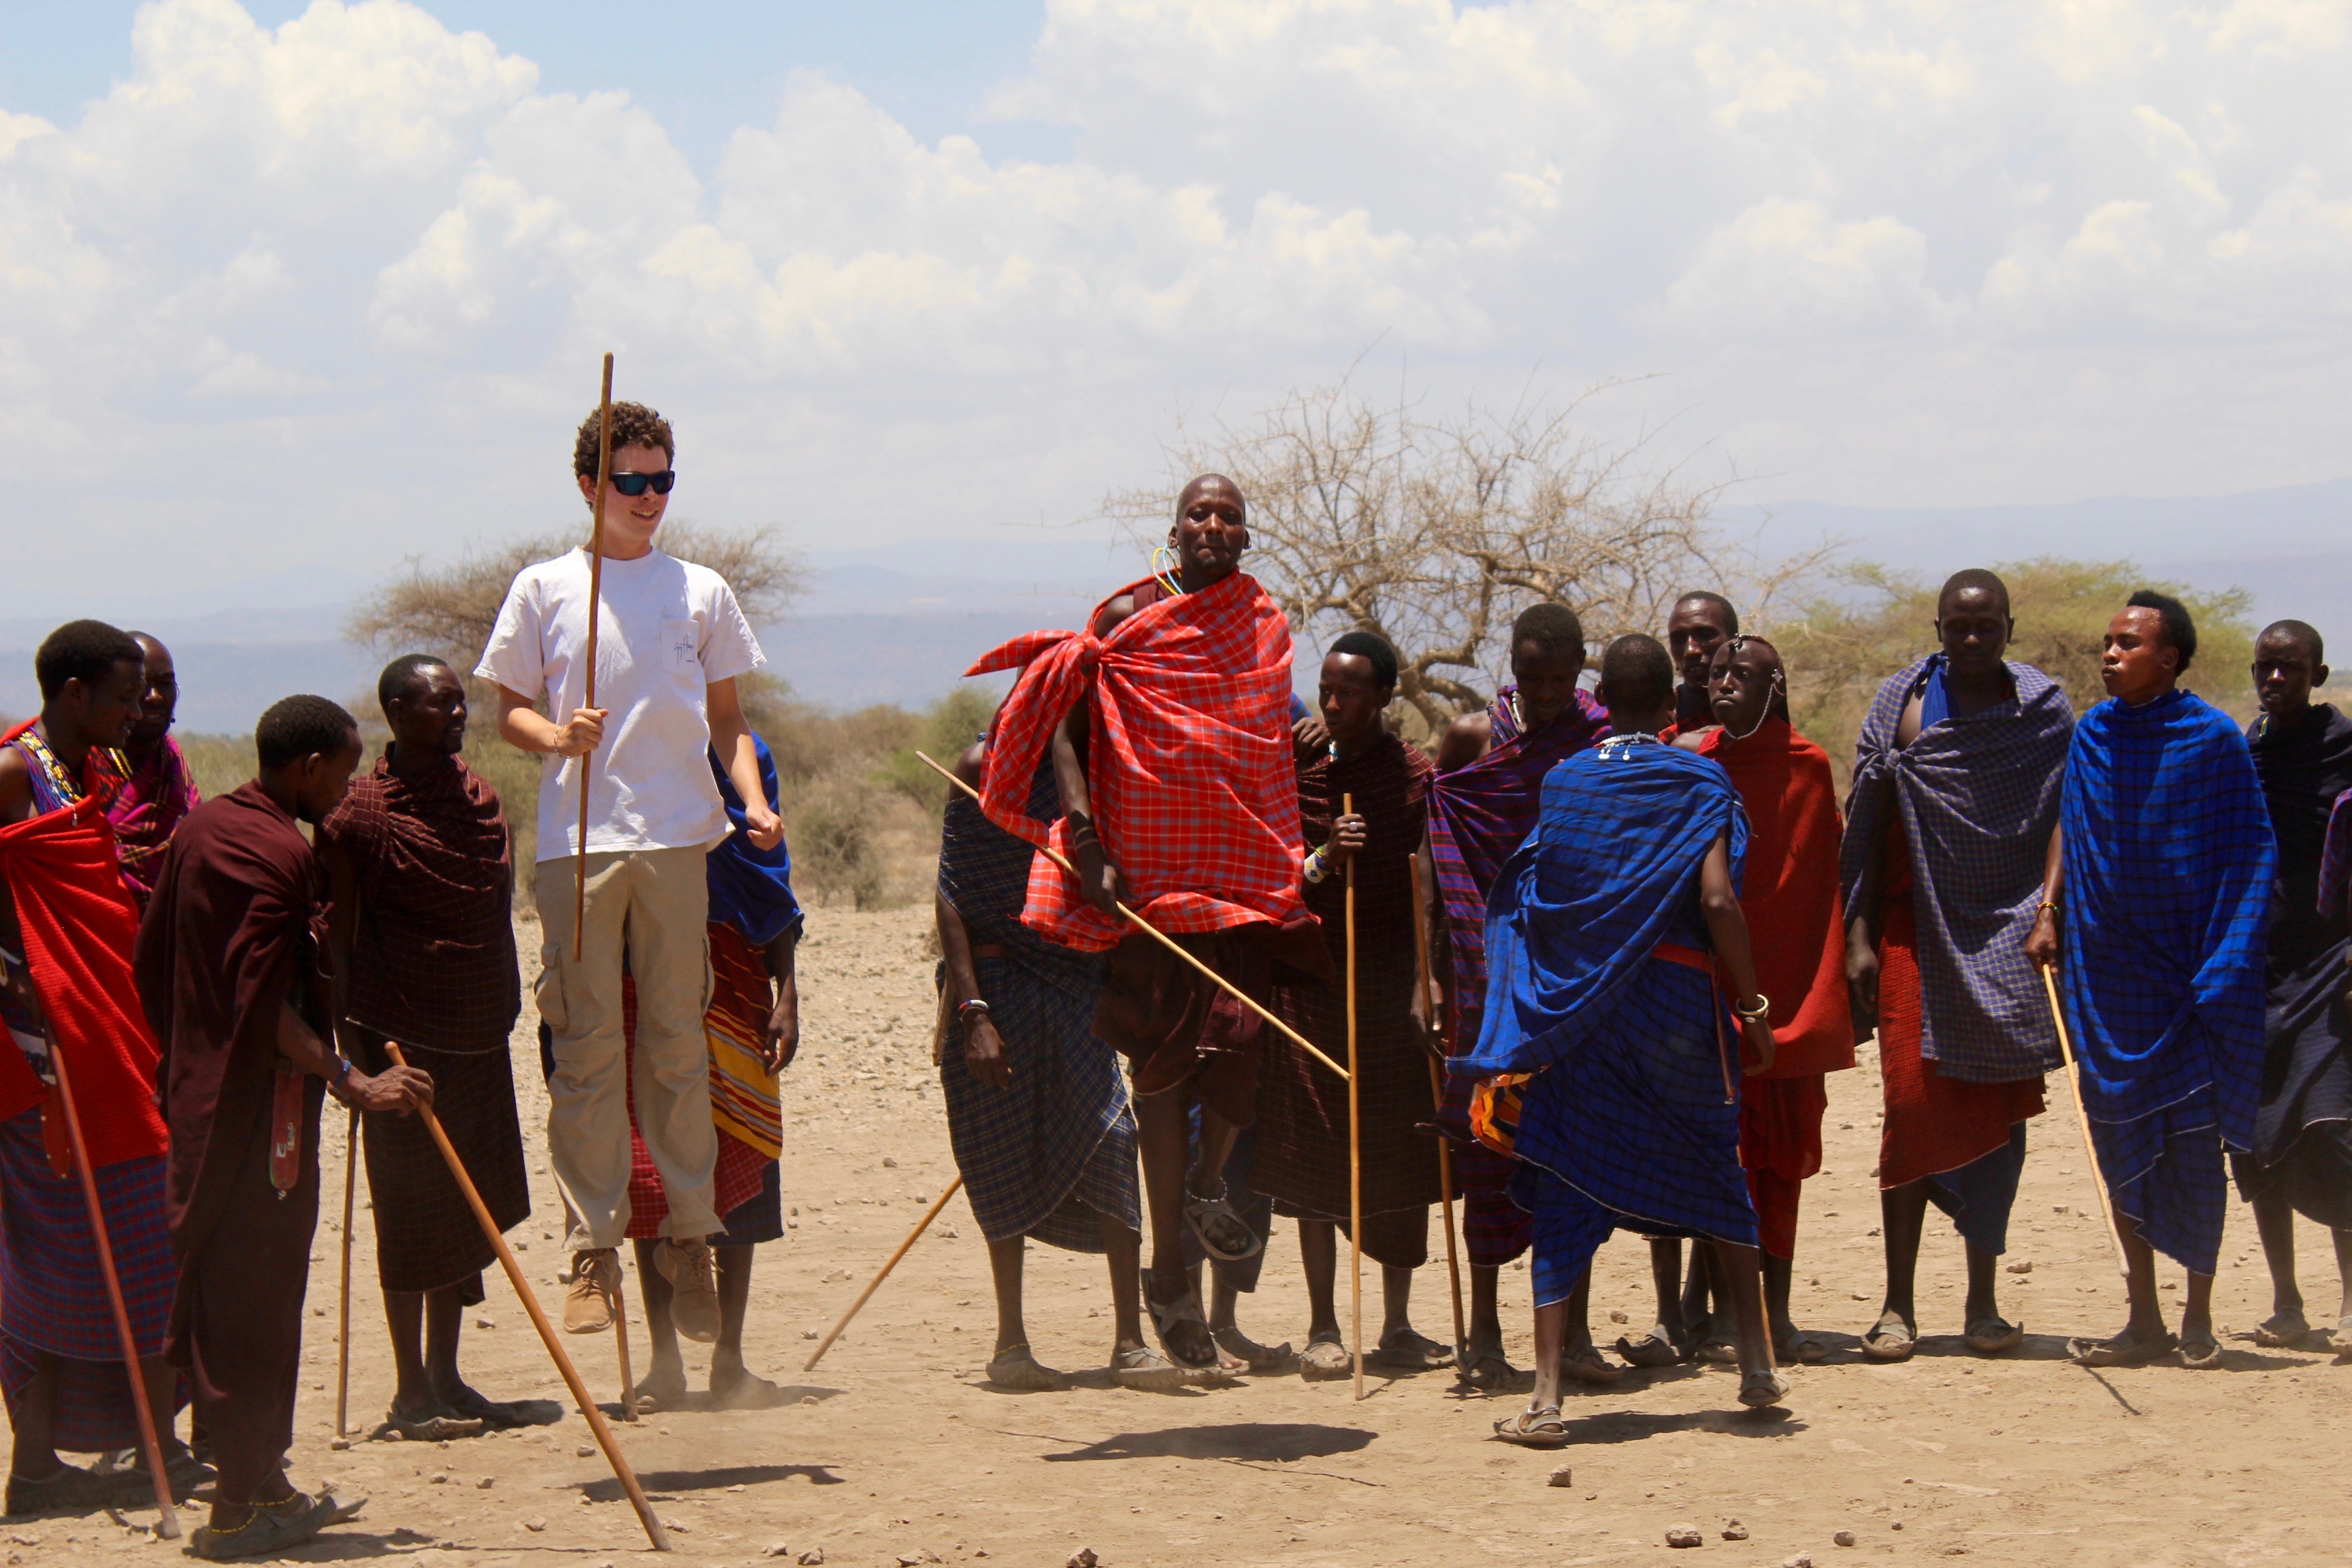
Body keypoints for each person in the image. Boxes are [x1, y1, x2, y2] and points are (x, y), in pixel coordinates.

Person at [964, 474, 1325, 1373]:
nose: (1213, 525)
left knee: (1240, 1045)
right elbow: (1064, 721)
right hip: (1150, 876)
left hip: (1238, 868)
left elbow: (1262, 724)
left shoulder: (1261, 623)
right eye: (1199, 514)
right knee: (1163, 1069)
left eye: (1229, 517)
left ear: (1245, 538)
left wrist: (1308, 729)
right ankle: (1171, 1269)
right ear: (1175, 531)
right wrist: (1084, 834)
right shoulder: (1129, 613)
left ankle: (1203, 1196)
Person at [476, 399, 779, 1341]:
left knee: (678, 1045)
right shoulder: (544, 587)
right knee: (588, 1048)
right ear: (589, 487)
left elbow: (727, 721)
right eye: (631, 481)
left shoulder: (701, 590)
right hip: (580, 842)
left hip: (680, 837)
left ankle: (691, 1234)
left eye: (663, 480)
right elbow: (508, 714)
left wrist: (755, 803)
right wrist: (557, 738)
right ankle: (592, 1248)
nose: (649, 498)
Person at [136, 696, 433, 1558]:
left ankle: (266, 1482)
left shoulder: (210, 830)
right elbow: (258, 1002)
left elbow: (159, 963)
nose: (344, 793)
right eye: (340, 775)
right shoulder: (264, 852)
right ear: (307, 767)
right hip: (248, 1115)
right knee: (247, 1303)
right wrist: (350, 1081)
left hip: (222, 1094)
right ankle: (235, 1511)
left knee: (261, 1298)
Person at [1470, 634, 1784, 1447]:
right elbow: (1718, 902)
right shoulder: (1699, 776)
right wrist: (1751, 1008)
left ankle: (1544, 1399)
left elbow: (1535, 902)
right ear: (1672, 708)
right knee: (1718, 1164)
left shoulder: (1566, 783)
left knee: (1567, 1176)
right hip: (1678, 1008)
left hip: (1584, 1020)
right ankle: (1756, 1364)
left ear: (1600, 701)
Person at [2025, 591, 2274, 1370]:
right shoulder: (2094, 732)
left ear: (2168, 658)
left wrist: (2226, 961)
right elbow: (2072, 816)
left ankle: (2197, 1317)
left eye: (2127, 643)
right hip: (2106, 972)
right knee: (2118, 1136)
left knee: (2193, 1145)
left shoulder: (2213, 742)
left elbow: (2249, 854)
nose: (2109, 654)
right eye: (2107, 641)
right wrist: (2049, 907)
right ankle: (2142, 1318)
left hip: (2188, 973)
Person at [1843, 570, 2070, 1360]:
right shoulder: (1900, 705)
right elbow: (1866, 826)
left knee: (1998, 1118)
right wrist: (1859, 934)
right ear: (1937, 627)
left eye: (1988, 627)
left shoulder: (2040, 712)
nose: (1972, 641)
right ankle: (1897, 1305)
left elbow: (2061, 820)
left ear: (2011, 626)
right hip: (1913, 929)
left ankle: (1983, 1302)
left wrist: (2046, 913)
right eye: (1957, 628)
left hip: (2009, 935)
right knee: (1909, 1104)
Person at [0, 621, 191, 1516]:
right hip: (39, 1054)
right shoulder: (13, 774)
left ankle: (159, 1446)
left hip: (114, 1032)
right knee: (44, 1256)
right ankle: (36, 1465)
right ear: (74, 695)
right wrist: (30, 992)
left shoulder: (105, 773)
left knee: (145, 1239)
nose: (139, 708)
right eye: (123, 696)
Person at [318, 656, 535, 1439]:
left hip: (477, 1032)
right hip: (398, 1042)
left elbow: (495, 910)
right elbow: (336, 941)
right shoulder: (361, 816)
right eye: (439, 704)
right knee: (411, 1213)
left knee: (464, 1211)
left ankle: (448, 1378)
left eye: (461, 702)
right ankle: (410, 1392)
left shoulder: (478, 800)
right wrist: (352, 1048)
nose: (457, 715)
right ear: (396, 713)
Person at [1254, 632, 1450, 1377]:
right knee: (1315, 1152)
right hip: (1310, 987)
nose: (1332, 704)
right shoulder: (1299, 771)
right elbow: (1275, 877)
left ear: (1385, 697)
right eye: (1326, 691)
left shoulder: (1415, 780)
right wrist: (1325, 856)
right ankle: (1324, 1325)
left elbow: (1430, 889)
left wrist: (1426, 984)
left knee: (1401, 1151)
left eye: (1350, 693)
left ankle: (1398, 1323)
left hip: (1391, 988)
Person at [935, 741, 1162, 1389]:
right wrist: (974, 1014)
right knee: (1000, 1151)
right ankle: (1010, 1344)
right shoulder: (982, 769)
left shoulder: (1099, 775)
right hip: (996, 983)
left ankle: (1130, 1340)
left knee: (1114, 1140)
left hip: (1073, 981)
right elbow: (950, 895)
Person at [1661, 636, 1854, 1365]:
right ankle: (1714, 1315)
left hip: (1790, 990)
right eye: (1717, 676)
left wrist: (1812, 988)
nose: (1727, 685)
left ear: (1776, 687)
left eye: (1744, 675)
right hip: (1708, 990)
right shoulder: (1691, 760)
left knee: (1778, 1165)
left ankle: (1776, 1312)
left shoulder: (1808, 768)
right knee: (1720, 1156)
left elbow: (1814, 888)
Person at [1426, 603, 1605, 1386]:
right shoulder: (1473, 739)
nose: (1543, 694)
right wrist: (1428, 976)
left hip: (1573, 972)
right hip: (1485, 970)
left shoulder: (1600, 741)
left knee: (1574, 1152)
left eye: (1558, 679)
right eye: (1530, 677)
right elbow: (1434, 855)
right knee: (1487, 1147)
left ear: (1582, 670)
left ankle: (1576, 1332)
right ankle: (1485, 1334)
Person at [607, 734, 802, 1410]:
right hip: (645, 971)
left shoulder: (747, 758)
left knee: (742, 1149)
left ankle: (729, 1361)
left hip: (738, 973)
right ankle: (664, 1365)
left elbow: (770, 877)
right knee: (651, 1163)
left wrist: (788, 995)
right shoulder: (627, 752)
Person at [2233, 621, 2352, 1348]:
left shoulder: (2347, 751)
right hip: (2253, 971)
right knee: (2254, 1141)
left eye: (2291, 670)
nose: (2276, 681)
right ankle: (2286, 1303)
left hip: (2332, 969)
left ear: (2318, 673)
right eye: (2266, 670)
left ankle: (2348, 1305)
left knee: (2333, 1129)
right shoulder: (2246, 756)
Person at [105, 632, 200, 913]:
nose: (156, 697)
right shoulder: (83, 765)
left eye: (166, 684)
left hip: (167, 935)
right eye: (142, 686)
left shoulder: (171, 764)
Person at [1666, 591, 1739, 732]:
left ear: (1734, 642)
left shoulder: (1758, 714)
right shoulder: (1659, 721)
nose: (1691, 651)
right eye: (1679, 640)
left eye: (1705, 636)